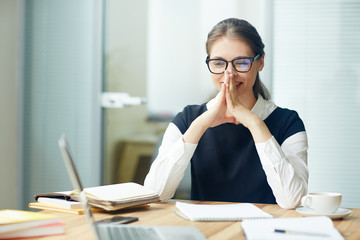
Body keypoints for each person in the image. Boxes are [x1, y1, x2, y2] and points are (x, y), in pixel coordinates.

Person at [144, 18, 308, 209]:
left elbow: (293, 200)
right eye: (219, 63)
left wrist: (254, 123)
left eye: (241, 62)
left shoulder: (288, 123)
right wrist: (200, 125)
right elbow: (155, 194)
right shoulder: (188, 119)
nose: (229, 73)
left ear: (260, 62)